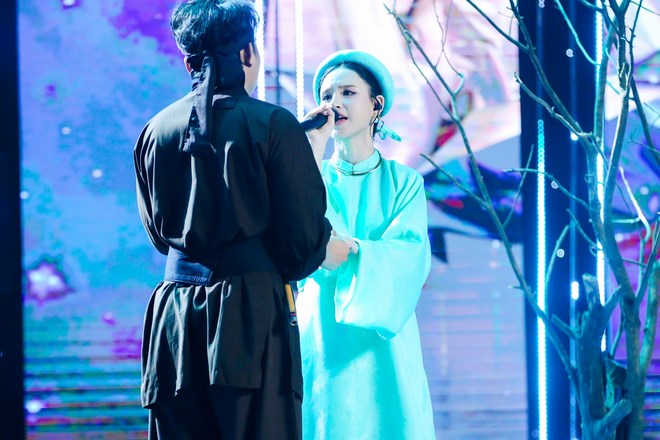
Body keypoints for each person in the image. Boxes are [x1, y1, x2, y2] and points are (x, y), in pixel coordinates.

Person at [133, 1, 349, 438]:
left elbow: (159, 236)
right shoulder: (272, 124)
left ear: (189, 61)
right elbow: (303, 245)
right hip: (248, 317)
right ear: (249, 52)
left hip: (174, 324)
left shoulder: (155, 130)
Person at [298, 50, 436, 439]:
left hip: (385, 337)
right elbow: (299, 234)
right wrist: (312, 152)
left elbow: (410, 254)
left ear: (376, 105)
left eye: (348, 92)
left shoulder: (405, 182)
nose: (335, 103)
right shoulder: (312, 175)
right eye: (327, 96)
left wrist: (354, 250)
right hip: (323, 328)